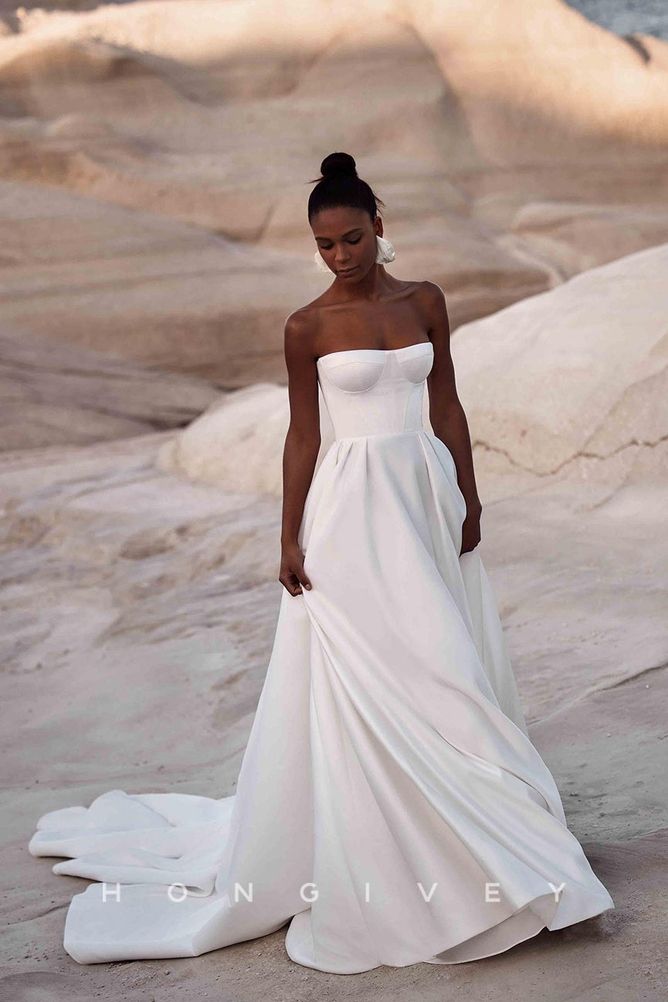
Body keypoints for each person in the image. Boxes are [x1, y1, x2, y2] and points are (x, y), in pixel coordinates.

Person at [29, 151, 614, 975]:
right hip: (350, 513)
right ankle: (426, 853)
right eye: (326, 245)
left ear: (379, 227)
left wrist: (470, 496)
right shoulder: (306, 326)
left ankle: (486, 840)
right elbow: (304, 434)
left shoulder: (426, 301)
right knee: (400, 670)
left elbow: (447, 400)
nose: (341, 255)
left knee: (448, 664)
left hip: (423, 495)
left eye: (352, 237)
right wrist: (287, 535)